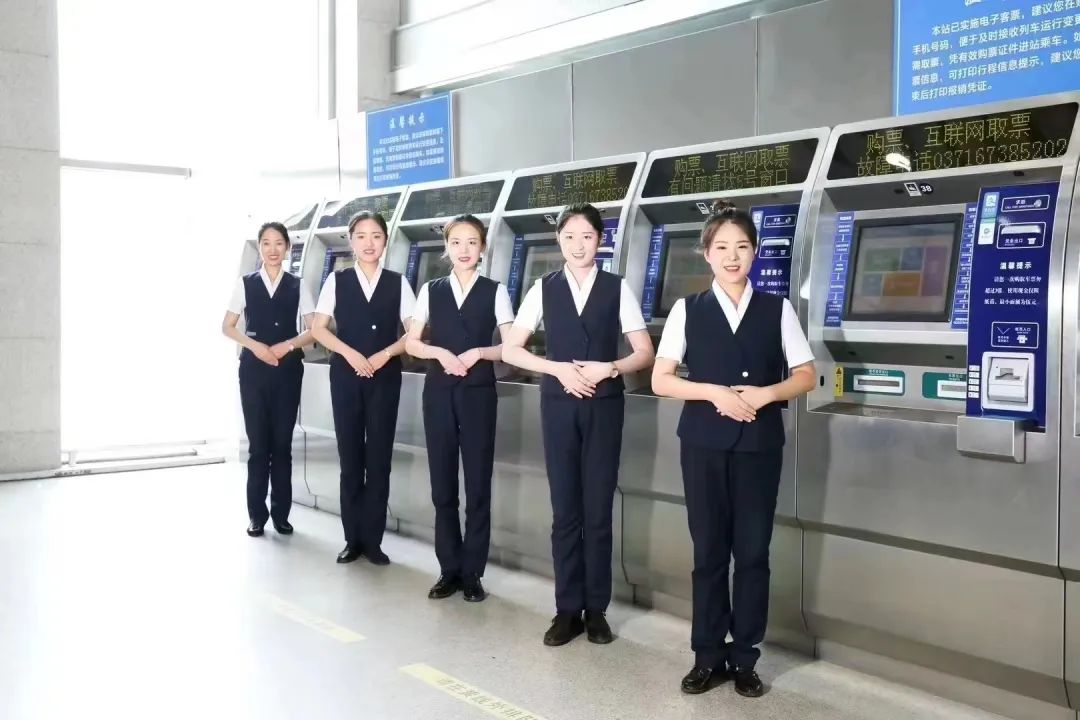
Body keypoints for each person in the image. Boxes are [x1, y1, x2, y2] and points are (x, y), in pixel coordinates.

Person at [651, 200, 815, 698]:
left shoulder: (777, 309)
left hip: (760, 446)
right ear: (706, 254)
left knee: (753, 554)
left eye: (742, 246)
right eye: (721, 247)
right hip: (702, 445)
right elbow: (661, 379)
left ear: (755, 253)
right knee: (708, 553)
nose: (732, 256)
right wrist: (712, 392)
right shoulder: (687, 310)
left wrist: (766, 394)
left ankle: (745, 658)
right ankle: (707, 655)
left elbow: (806, 375)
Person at [502, 203, 655, 646]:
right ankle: (567, 609)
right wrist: (557, 369)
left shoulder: (617, 288)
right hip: (558, 405)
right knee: (566, 510)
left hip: (605, 406)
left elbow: (644, 352)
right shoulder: (543, 288)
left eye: (587, 236)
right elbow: (511, 349)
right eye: (569, 236)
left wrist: (611, 367)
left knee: (598, 510)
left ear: (599, 240)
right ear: (559, 241)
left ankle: (597, 610)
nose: (578, 245)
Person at [405, 214, 515, 603]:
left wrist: (479, 352)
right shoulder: (430, 290)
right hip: (438, 393)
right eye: (456, 242)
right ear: (446, 248)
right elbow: (412, 342)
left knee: (478, 485)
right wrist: (438, 352)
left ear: (482, 247)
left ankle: (472, 573)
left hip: (478, 394)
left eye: (472, 242)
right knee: (443, 484)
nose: (464, 250)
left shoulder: (495, 291)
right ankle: (448, 569)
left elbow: (511, 347)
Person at [311, 211, 417, 565]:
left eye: (376, 236)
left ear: (385, 241)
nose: (369, 243)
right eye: (361, 236)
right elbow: (318, 328)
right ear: (351, 241)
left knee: (379, 460)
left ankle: (373, 541)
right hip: (346, 377)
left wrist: (386, 353)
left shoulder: (398, 283)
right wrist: (350, 353)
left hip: (385, 378)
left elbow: (414, 333)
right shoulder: (336, 281)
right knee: (351, 459)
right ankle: (352, 539)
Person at [222, 221, 315, 537]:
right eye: (266, 243)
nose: (273, 249)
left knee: (282, 445)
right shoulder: (245, 284)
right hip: (253, 371)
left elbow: (314, 329)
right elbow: (227, 326)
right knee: (258, 446)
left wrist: (287, 345)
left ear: (287, 248)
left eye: (278, 243)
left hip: (288, 370)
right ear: (259, 247)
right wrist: (255, 346)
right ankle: (256, 516)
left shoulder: (298, 285)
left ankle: (281, 515)